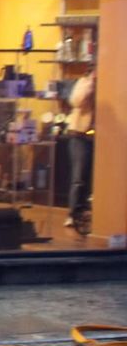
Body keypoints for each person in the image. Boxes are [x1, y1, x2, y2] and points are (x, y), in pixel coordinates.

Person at [64, 66, 95, 235]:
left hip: (96, 137)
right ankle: (72, 213)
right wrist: (91, 82)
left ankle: (83, 212)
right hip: (79, 135)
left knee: (90, 179)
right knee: (79, 177)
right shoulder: (84, 83)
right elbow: (75, 100)